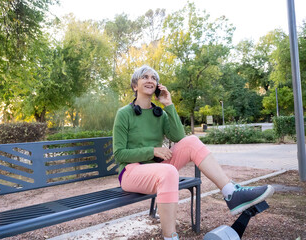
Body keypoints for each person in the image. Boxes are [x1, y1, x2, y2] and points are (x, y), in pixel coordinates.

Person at [112, 65, 275, 240]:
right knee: (168, 172)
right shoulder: (124, 114)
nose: (150, 79)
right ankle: (171, 237)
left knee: (191, 141)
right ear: (135, 85)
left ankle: (231, 193)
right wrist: (152, 151)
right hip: (131, 172)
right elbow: (120, 154)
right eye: (145, 76)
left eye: (154, 77)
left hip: (158, 168)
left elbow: (179, 137)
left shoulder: (160, 114)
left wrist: (169, 105)